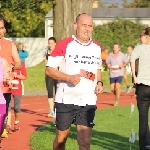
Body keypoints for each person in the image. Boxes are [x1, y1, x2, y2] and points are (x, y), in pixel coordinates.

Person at [45, 13, 103, 150]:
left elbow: (98, 69)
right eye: (84, 25)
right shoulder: (65, 45)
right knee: (61, 139)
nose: (87, 29)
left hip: (88, 102)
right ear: (75, 25)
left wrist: (100, 83)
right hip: (66, 100)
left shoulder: (97, 47)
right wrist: (69, 78)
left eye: (90, 26)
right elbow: (49, 70)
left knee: (84, 143)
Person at [0, 15, 21, 138]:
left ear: (4, 30)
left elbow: (18, 63)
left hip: (4, 87)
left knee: (2, 119)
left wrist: (10, 66)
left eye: (1, 28)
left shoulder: (10, 44)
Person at [130, 27, 150, 150]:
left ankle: (144, 146)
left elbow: (132, 59)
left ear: (147, 36)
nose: (140, 38)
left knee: (143, 119)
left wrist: (134, 76)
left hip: (143, 86)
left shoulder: (140, 48)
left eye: (141, 35)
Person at [6, 61, 27, 133]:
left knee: (16, 107)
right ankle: (8, 125)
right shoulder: (6, 62)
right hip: (7, 87)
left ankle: (16, 123)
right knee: (7, 107)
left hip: (18, 88)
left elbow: (24, 76)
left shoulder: (21, 64)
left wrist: (16, 76)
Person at [45, 37, 57, 118]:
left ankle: (57, 109)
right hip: (49, 75)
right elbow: (46, 62)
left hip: (57, 74)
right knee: (50, 92)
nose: (50, 45)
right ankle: (52, 110)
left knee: (58, 92)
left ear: (55, 43)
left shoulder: (58, 52)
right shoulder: (47, 52)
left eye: (52, 43)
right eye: (49, 43)